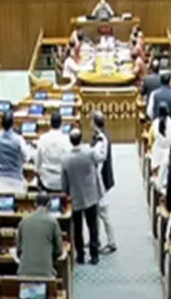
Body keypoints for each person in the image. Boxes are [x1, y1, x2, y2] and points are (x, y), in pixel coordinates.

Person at [62, 128, 103, 264]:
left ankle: (80, 255)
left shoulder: (65, 158)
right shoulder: (89, 152)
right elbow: (101, 157)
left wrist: (66, 194)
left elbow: (64, 182)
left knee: (77, 228)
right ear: (81, 139)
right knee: (93, 226)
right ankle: (94, 255)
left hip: (75, 197)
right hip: (91, 195)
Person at [16, 194, 64, 278]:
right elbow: (59, 250)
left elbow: (18, 250)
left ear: (35, 204)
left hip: (24, 273)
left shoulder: (23, 222)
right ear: (49, 205)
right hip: (46, 273)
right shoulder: (53, 222)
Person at [89, 111, 116, 254]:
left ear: (95, 123)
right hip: (99, 181)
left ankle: (112, 243)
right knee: (96, 212)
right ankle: (96, 239)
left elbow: (99, 161)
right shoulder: (100, 135)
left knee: (104, 213)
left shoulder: (101, 139)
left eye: (91, 120)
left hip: (101, 181)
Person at [0, 111, 30, 193]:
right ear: (13, 124)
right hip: (16, 179)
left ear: (1, 123)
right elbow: (26, 158)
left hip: (0, 180)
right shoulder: (19, 139)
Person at [34, 112, 71, 192]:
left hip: (46, 181)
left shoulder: (43, 139)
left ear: (50, 123)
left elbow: (37, 162)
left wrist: (37, 172)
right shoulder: (67, 140)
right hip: (62, 180)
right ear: (61, 124)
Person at [151, 102, 171, 191]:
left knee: (157, 176)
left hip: (157, 152)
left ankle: (157, 189)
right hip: (169, 152)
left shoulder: (155, 123)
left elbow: (152, 137)